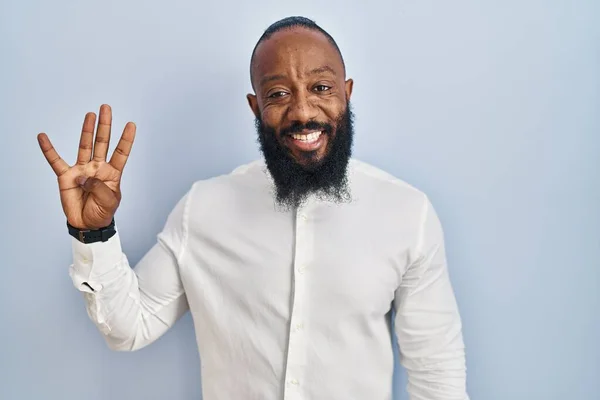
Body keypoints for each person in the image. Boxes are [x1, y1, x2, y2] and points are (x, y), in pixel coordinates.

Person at [38, 16, 469, 400]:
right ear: (255, 106)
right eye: (279, 93)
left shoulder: (406, 213)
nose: (303, 111)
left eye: (321, 88)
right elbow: (129, 328)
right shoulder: (202, 209)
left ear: (347, 93)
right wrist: (94, 233)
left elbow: (437, 377)